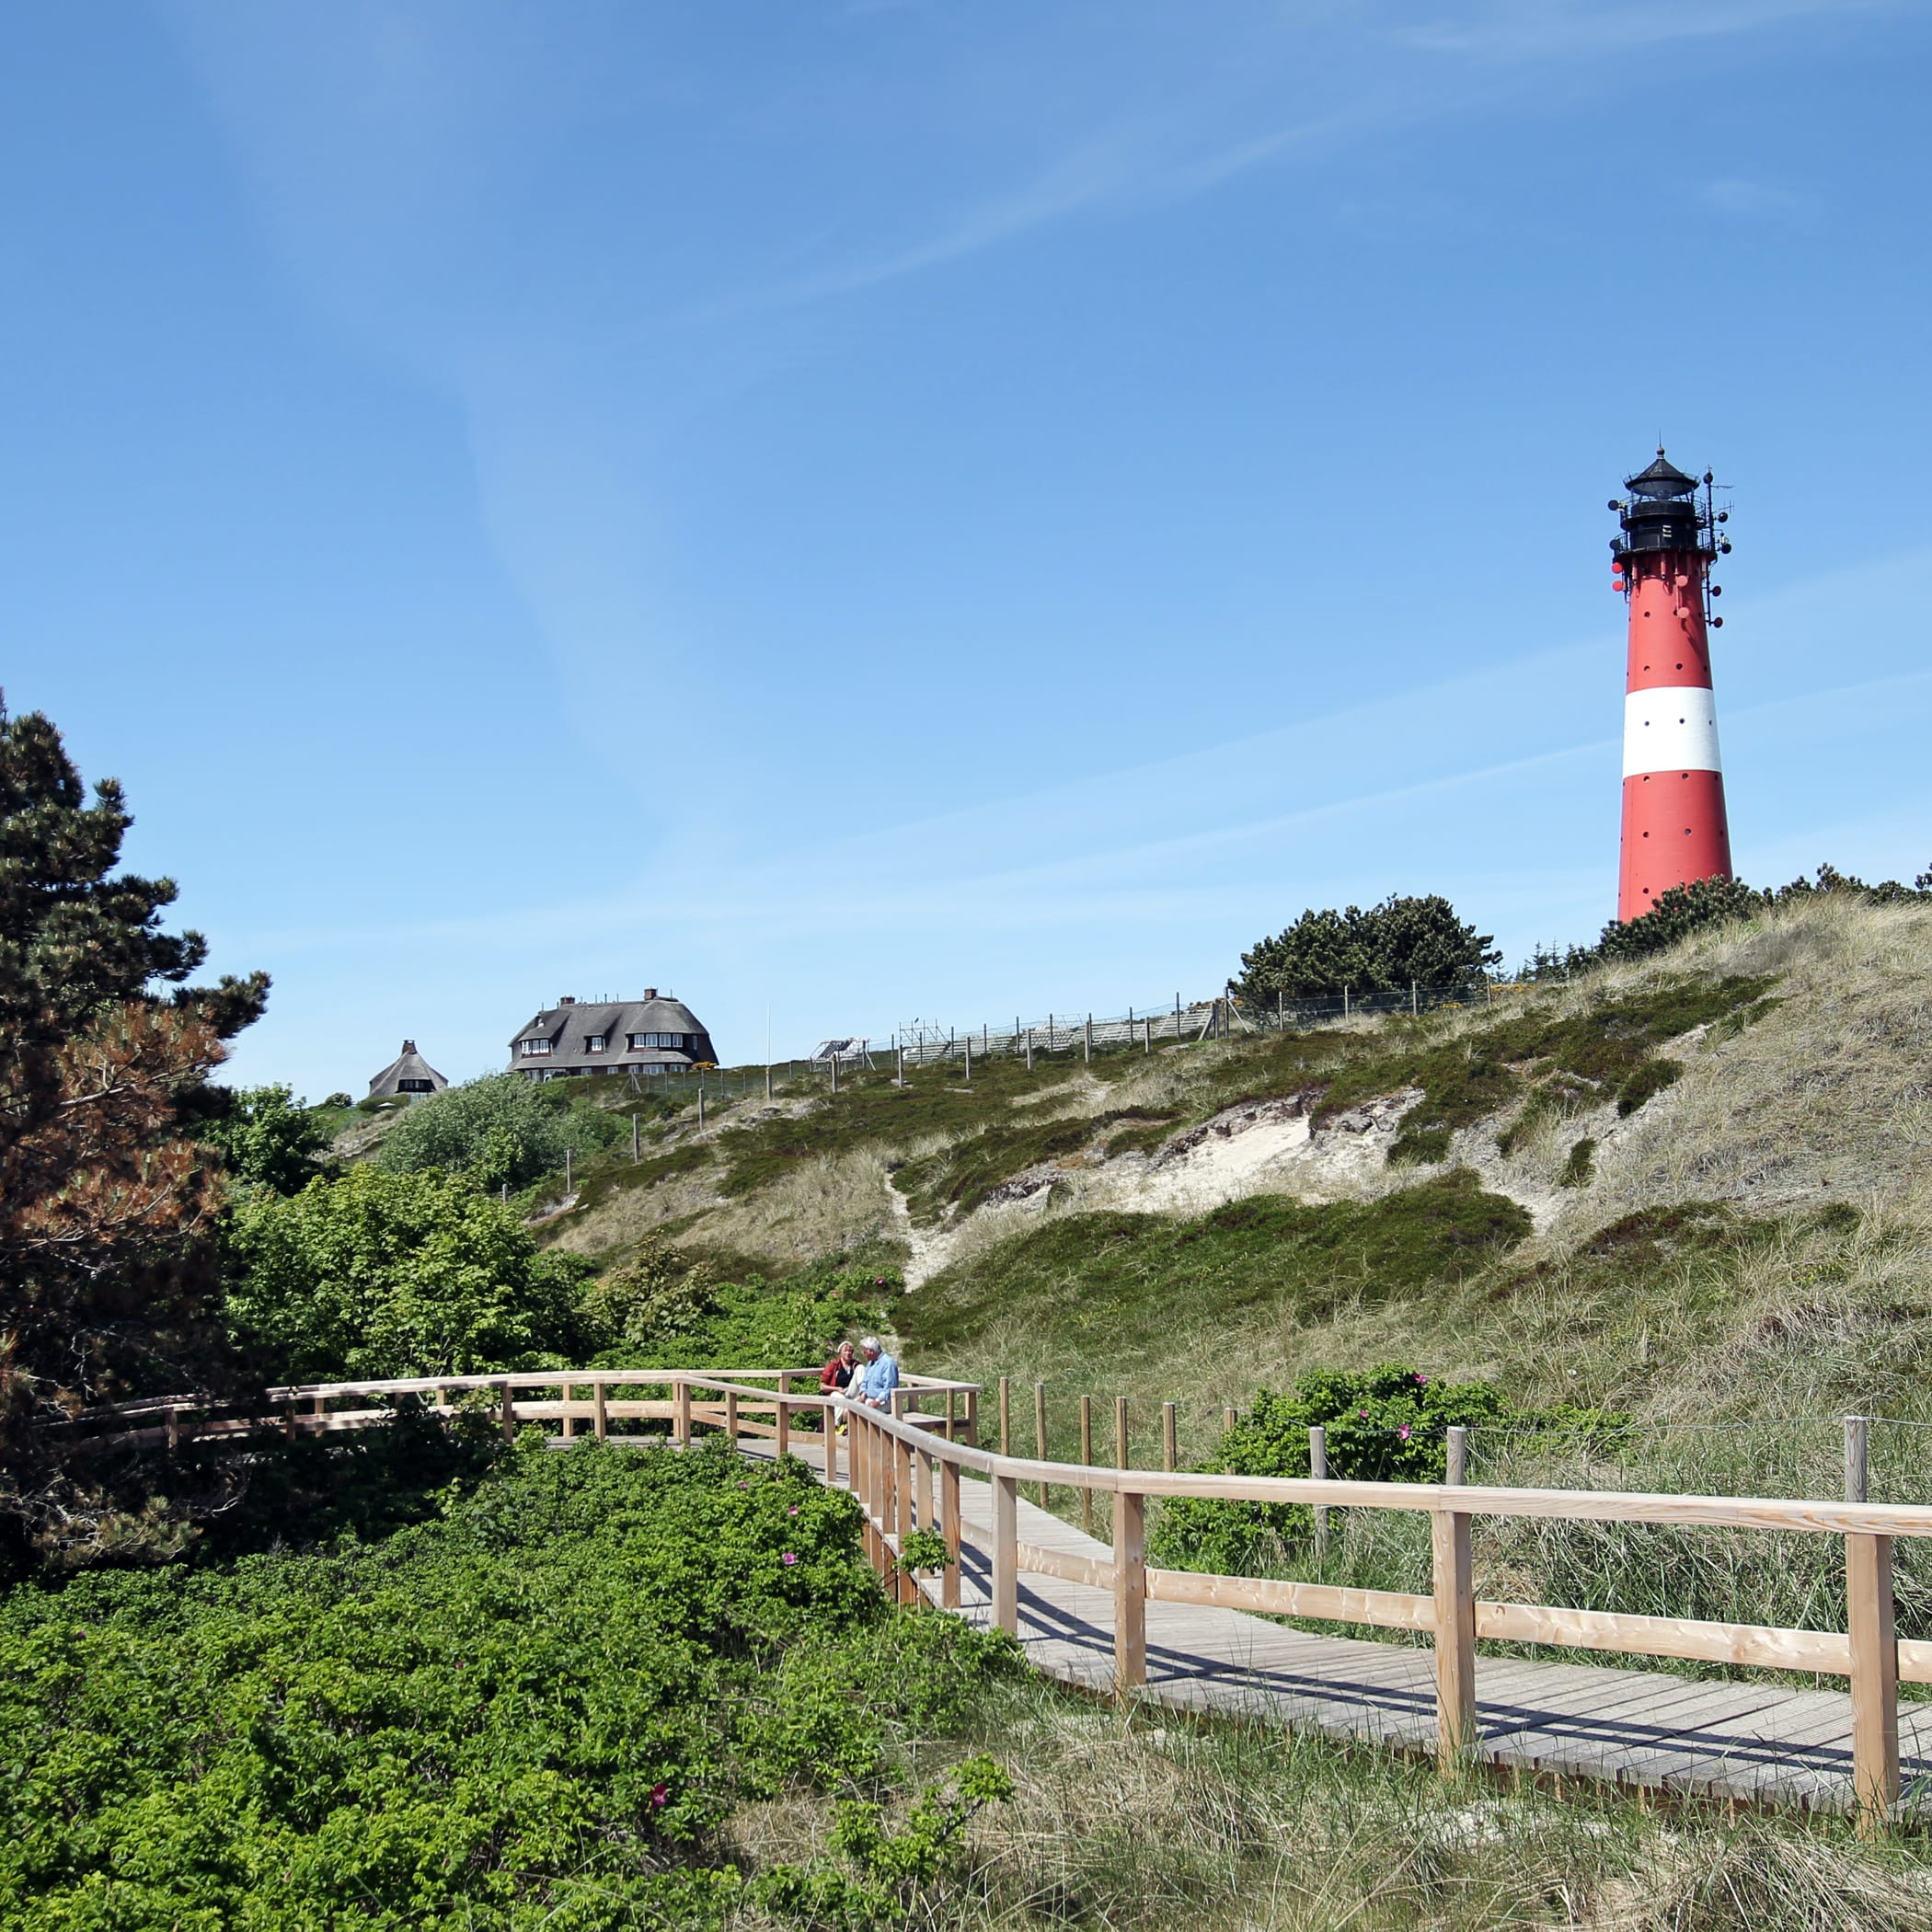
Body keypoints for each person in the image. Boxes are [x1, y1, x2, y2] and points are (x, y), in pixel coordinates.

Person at [853, 1336, 899, 1411]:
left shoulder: (888, 1364)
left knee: (865, 1409)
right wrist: (863, 1394)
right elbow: (865, 1381)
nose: (864, 1354)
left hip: (884, 1402)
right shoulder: (871, 1363)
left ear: (871, 1351)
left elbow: (889, 1388)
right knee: (850, 1408)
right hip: (869, 1398)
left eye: (864, 1352)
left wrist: (877, 1401)